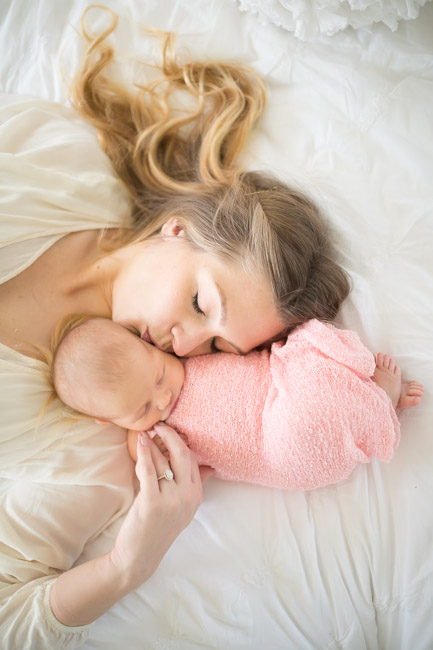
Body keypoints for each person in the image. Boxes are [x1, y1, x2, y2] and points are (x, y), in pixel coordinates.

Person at [0, 7, 351, 648]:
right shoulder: (57, 159)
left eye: (218, 345)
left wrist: (129, 565)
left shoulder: (100, 451)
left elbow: (10, 619)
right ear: (178, 227)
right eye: (200, 300)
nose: (188, 347)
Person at [46, 316, 423, 491]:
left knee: (310, 348)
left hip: (279, 384)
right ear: (110, 421)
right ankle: (378, 400)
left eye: (160, 375)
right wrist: (155, 451)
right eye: (143, 409)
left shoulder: (186, 353)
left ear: (150, 345)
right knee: (305, 418)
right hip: (278, 450)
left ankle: (369, 399)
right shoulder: (150, 439)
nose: (163, 399)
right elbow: (169, 475)